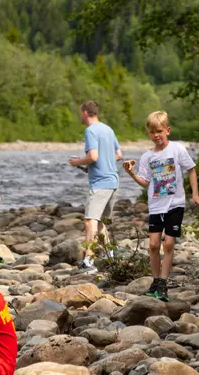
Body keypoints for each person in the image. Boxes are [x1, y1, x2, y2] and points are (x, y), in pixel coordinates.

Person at [122, 111, 199, 301]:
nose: (156, 135)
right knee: (152, 245)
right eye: (152, 132)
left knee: (168, 244)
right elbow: (145, 182)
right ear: (148, 133)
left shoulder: (177, 149)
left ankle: (164, 284)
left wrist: (196, 194)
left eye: (159, 131)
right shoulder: (147, 157)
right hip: (156, 206)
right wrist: (132, 174)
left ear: (167, 130)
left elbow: (191, 169)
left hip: (175, 204)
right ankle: (155, 281)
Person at [68, 101, 122, 272]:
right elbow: (118, 155)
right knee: (99, 222)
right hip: (113, 181)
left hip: (100, 183)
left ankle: (88, 260)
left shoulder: (90, 131)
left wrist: (76, 161)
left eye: (80, 113)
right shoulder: (108, 129)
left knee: (90, 220)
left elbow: (93, 156)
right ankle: (110, 255)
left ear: (85, 113)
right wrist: (90, 167)